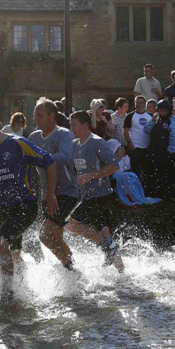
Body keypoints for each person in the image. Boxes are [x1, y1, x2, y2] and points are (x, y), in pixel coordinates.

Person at [0, 111, 57, 284]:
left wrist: (50, 194)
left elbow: (49, 162)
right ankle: (22, 283)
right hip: (3, 208)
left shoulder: (18, 144)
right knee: (11, 251)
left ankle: (7, 292)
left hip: (25, 205)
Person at [60, 110, 124, 271]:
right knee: (107, 236)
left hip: (101, 196)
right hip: (87, 196)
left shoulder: (97, 142)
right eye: (70, 124)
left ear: (85, 125)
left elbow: (114, 165)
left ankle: (105, 247)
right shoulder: (74, 145)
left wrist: (91, 175)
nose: (71, 128)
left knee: (70, 224)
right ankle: (122, 274)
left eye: (74, 124)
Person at [29, 99, 81, 271]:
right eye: (35, 115)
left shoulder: (63, 134)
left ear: (52, 116)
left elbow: (66, 156)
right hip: (47, 194)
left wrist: (43, 159)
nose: (36, 118)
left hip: (66, 191)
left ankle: (70, 268)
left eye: (40, 115)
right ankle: (73, 270)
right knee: (56, 235)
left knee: (45, 235)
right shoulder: (34, 137)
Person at [142, 99, 175, 198]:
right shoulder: (156, 119)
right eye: (160, 110)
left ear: (169, 110)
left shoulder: (174, 121)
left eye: (164, 110)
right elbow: (146, 130)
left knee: (168, 175)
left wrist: (169, 153)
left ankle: (168, 195)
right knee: (153, 174)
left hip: (167, 153)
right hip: (154, 152)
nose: (162, 112)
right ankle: (155, 194)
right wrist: (152, 120)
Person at [123, 95, 153, 186]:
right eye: (137, 102)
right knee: (135, 172)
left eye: (141, 102)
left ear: (144, 104)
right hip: (135, 148)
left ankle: (147, 191)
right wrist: (130, 144)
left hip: (148, 148)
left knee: (148, 172)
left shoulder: (151, 116)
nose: (139, 104)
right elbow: (125, 132)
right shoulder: (130, 116)